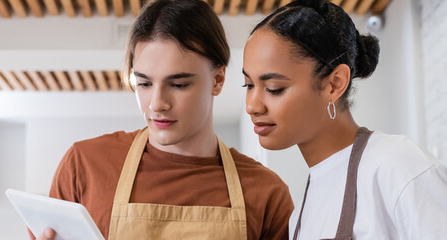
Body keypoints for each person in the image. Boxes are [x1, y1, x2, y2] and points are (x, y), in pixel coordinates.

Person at [31, 0, 293, 239]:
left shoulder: (266, 193)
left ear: (218, 79)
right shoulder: (84, 166)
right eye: (144, 83)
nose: (157, 103)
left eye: (178, 84)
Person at [241, 0, 447, 239]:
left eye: (273, 88)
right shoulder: (299, 216)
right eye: (248, 85)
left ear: (334, 84)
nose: (252, 105)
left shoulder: (396, 167)